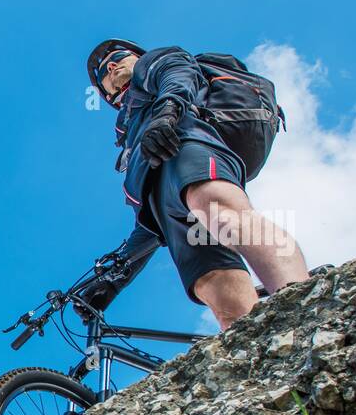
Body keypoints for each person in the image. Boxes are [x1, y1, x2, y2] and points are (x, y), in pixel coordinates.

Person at [87, 40, 310, 328]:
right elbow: (147, 229)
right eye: (105, 71)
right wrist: (116, 279)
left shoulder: (153, 64)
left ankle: (303, 302)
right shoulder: (130, 128)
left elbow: (178, 73)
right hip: (160, 195)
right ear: (109, 94)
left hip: (185, 141)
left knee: (220, 210)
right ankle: (254, 347)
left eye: (118, 57)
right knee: (209, 276)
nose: (112, 65)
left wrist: (168, 113)